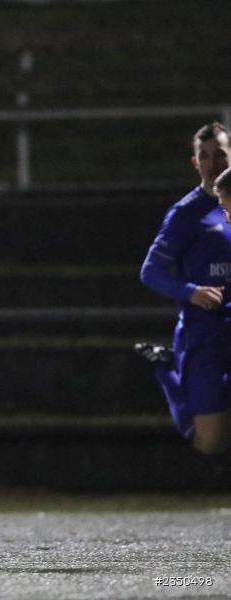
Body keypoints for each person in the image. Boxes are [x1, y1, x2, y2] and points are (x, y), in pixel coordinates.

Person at [137, 122, 231, 455]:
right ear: (195, 163)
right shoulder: (186, 214)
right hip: (204, 334)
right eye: (204, 156)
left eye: (219, 153)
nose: (213, 162)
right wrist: (192, 291)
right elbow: (151, 272)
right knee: (211, 443)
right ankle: (166, 369)